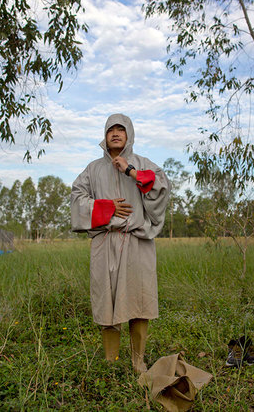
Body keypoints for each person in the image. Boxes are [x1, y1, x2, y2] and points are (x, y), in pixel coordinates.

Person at [71, 113, 171, 373]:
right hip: (105, 242)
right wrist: (106, 207)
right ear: (104, 136)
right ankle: (111, 362)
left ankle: (139, 362)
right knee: (107, 300)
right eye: (110, 130)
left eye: (121, 129)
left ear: (129, 134)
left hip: (137, 242)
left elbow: (161, 189)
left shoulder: (142, 163)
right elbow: (77, 199)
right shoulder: (93, 169)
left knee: (139, 302)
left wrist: (130, 170)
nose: (115, 133)